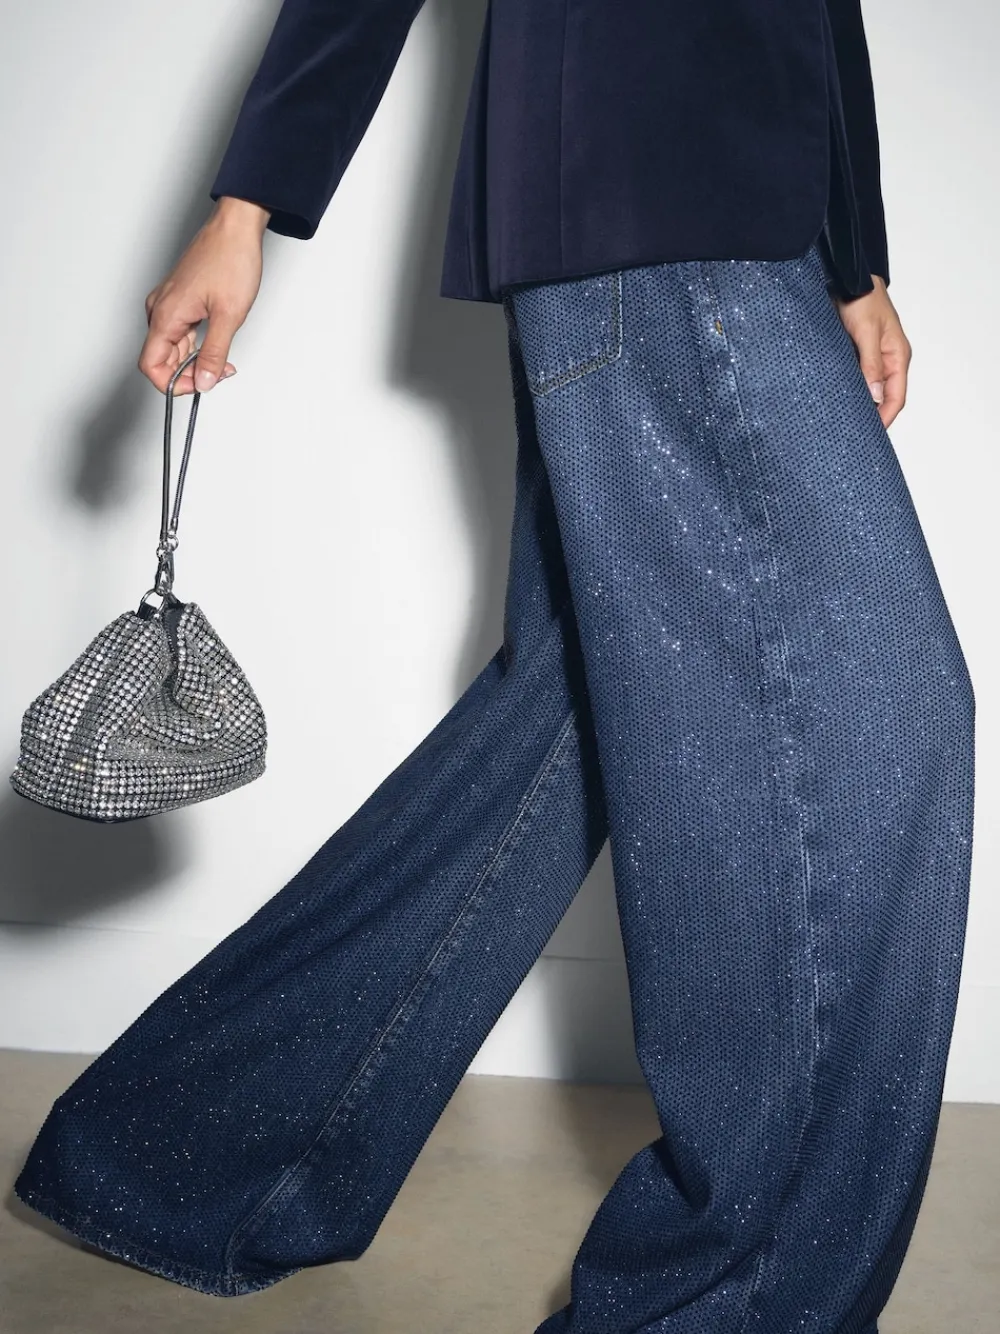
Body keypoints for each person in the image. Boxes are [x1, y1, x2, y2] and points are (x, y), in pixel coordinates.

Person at [14, 2, 976, 1332]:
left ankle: (178, 1158)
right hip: (666, 206)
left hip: (722, 219)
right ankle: (722, 1303)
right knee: (878, 713)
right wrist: (248, 203)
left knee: (563, 729)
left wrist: (854, 256)